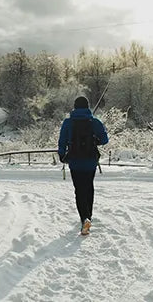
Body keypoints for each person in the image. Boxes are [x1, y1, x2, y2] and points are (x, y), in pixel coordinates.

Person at [58, 96, 108, 235]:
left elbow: (62, 141)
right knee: (89, 187)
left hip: (75, 161)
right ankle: (88, 217)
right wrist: (94, 140)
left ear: (74, 107)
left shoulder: (68, 122)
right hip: (90, 161)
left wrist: (62, 155)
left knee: (79, 190)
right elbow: (105, 139)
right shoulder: (94, 121)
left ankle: (84, 218)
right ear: (87, 106)